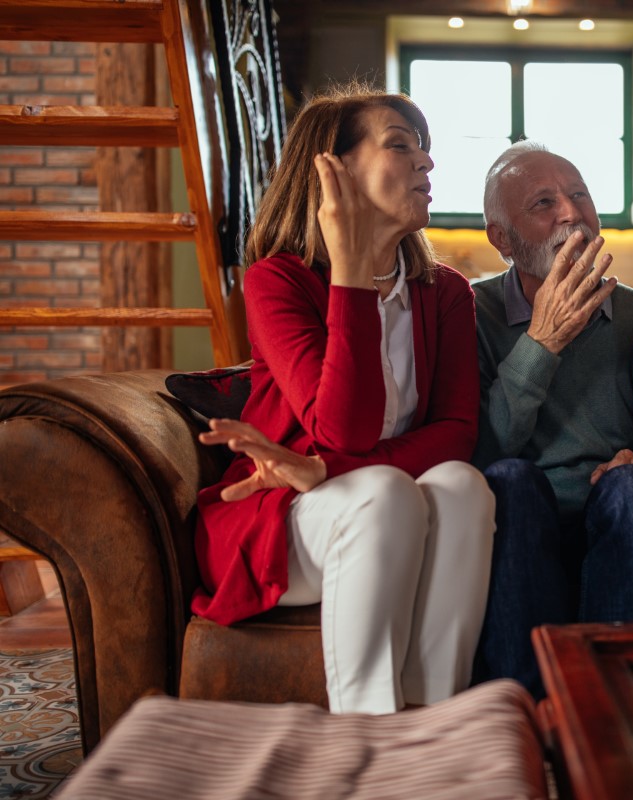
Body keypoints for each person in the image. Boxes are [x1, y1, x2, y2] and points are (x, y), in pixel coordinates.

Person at [192, 86, 494, 713]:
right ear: (335, 170)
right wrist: (352, 270)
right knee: (385, 493)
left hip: (349, 492)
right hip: (277, 516)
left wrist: (329, 471)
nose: (427, 164)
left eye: (426, 150)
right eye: (401, 146)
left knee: (464, 485)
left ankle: (430, 719)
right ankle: (363, 730)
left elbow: (456, 431)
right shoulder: (277, 279)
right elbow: (342, 428)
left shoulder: (445, 293)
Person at [471, 141, 633, 696]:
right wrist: (542, 340)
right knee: (508, 480)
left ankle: (621, 702)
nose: (572, 212)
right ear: (502, 238)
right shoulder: (472, 312)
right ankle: (527, 706)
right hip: (520, 519)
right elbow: (483, 450)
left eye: (579, 194)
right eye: (543, 203)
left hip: (613, 510)